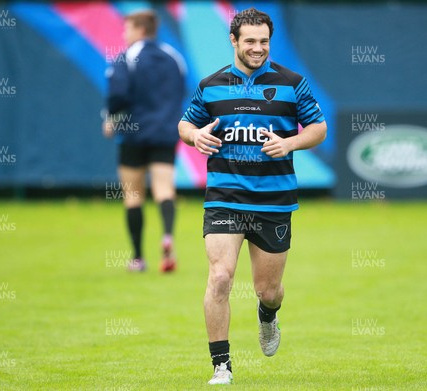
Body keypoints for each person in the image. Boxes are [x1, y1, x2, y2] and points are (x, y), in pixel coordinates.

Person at [178, 7, 327, 385]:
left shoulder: (292, 83)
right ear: (234, 41)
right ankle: (221, 366)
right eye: (250, 41)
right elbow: (185, 123)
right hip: (224, 197)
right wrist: (195, 136)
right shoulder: (211, 84)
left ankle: (268, 315)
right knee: (220, 276)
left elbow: (319, 128)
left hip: (273, 202)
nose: (258, 48)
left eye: (264, 41)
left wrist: (290, 142)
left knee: (269, 289)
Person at [103, 10, 185, 273]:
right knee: (164, 190)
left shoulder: (127, 58)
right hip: (165, 132)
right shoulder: (174, 57)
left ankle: (138, 258)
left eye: (127, 29)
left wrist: (111, 118)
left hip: (133, 133)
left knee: (133, 195)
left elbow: (118, 95)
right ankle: (168, 236)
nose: (124, 35)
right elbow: (181, 93)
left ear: (139, 30)